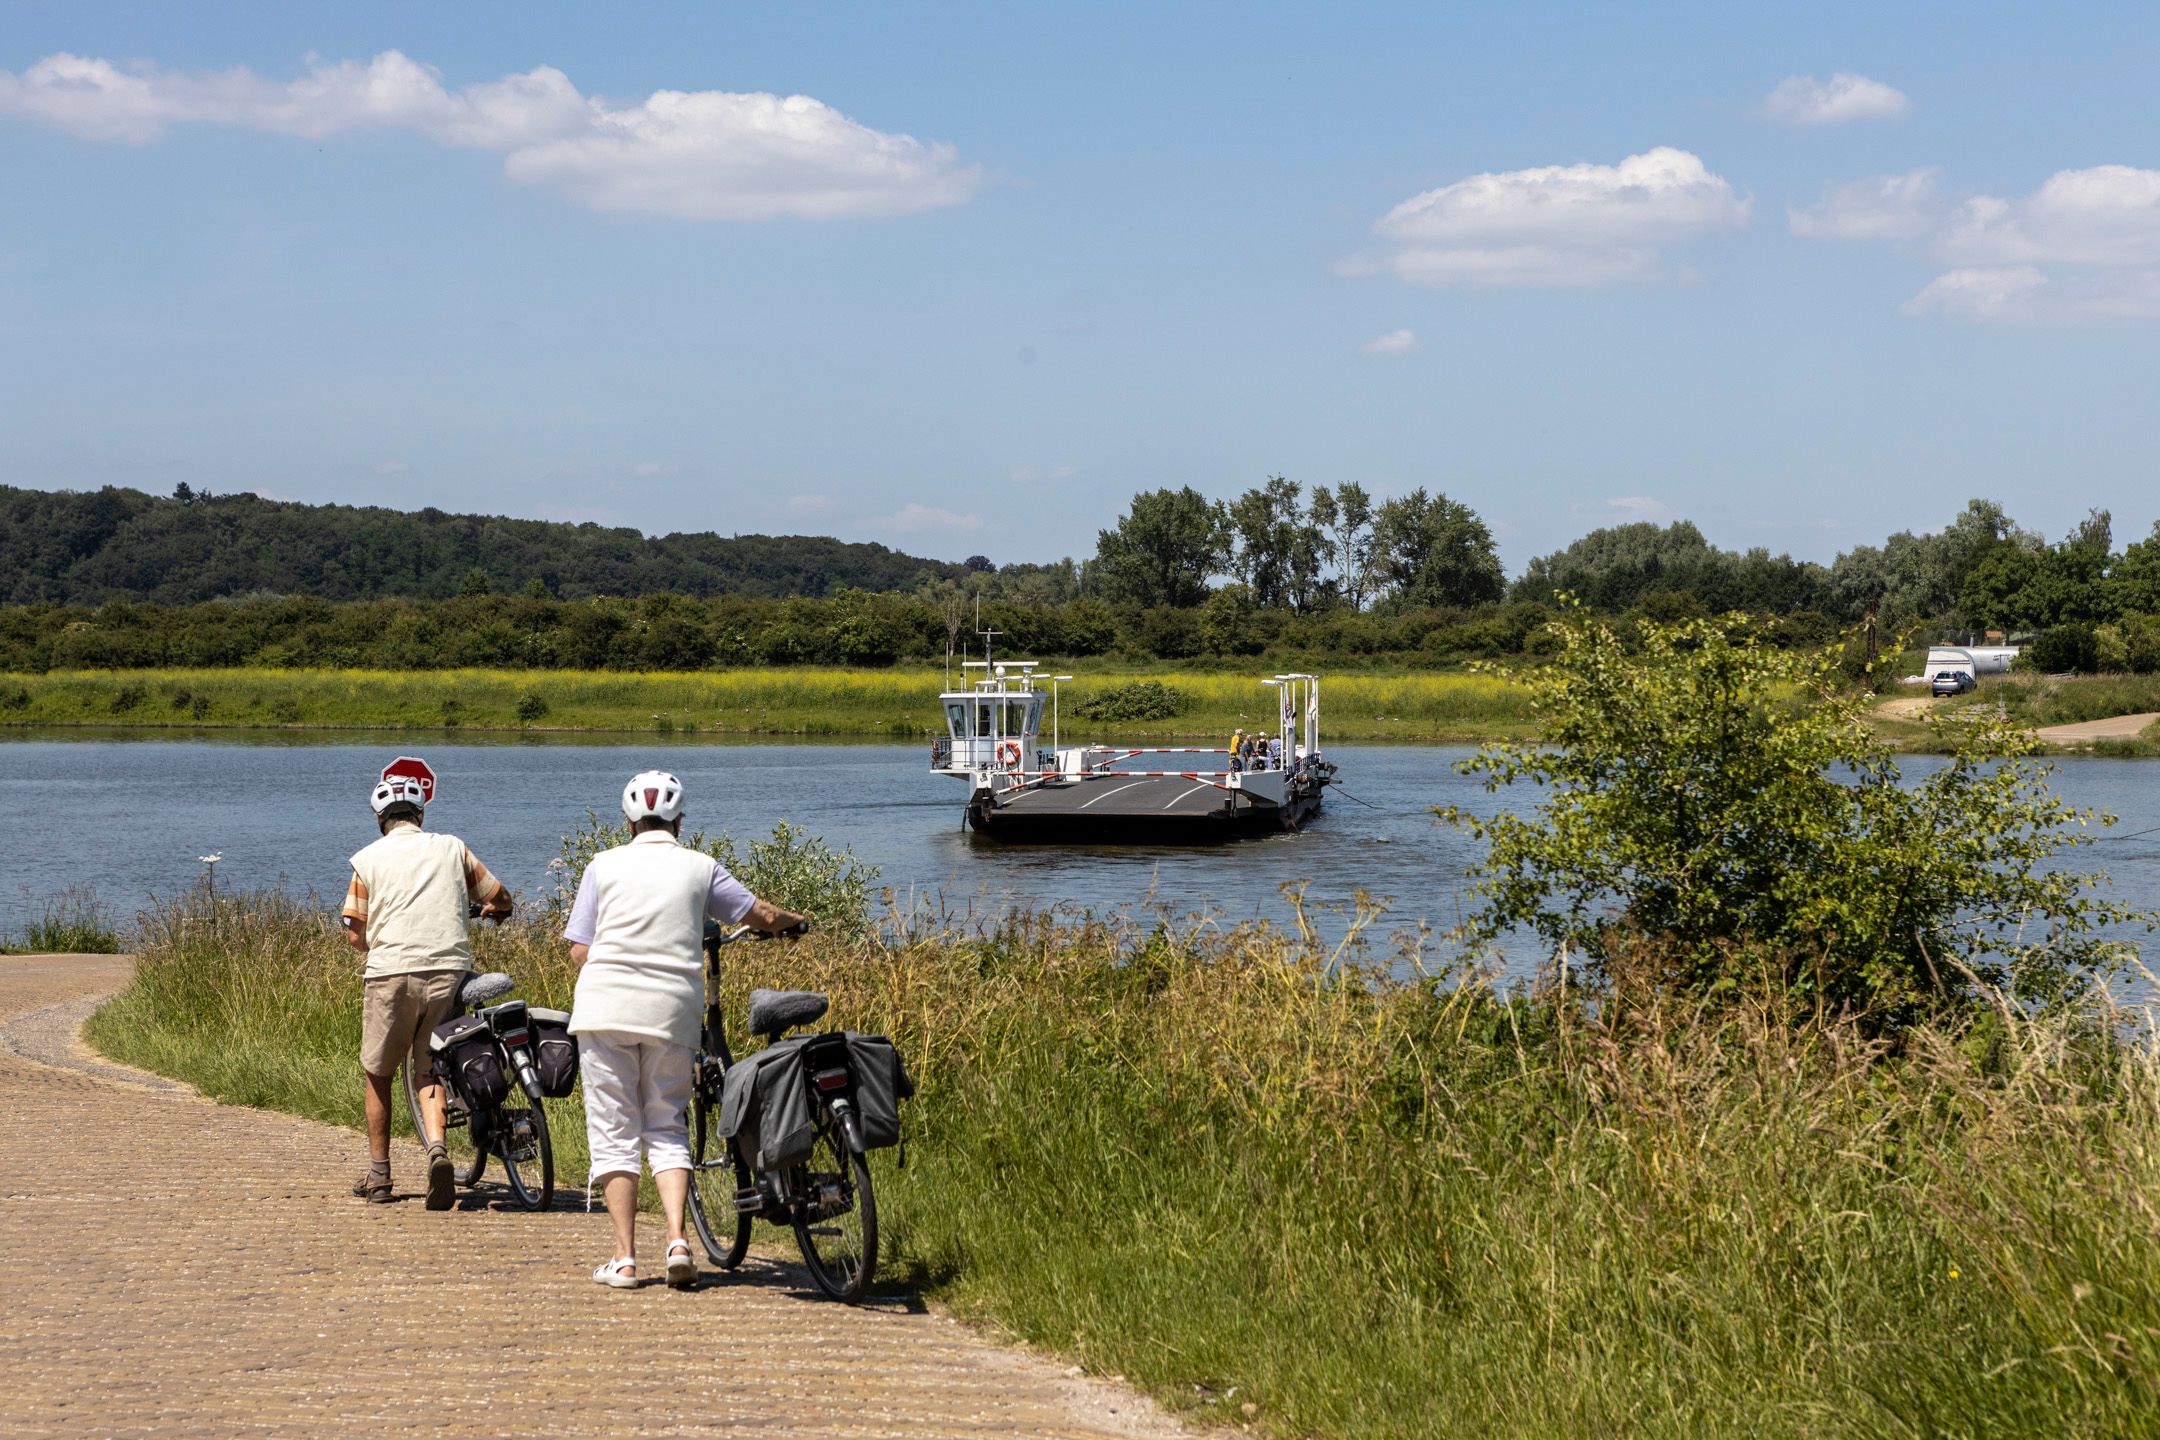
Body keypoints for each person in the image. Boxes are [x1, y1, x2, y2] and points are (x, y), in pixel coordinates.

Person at [563, 770, 811, 1290]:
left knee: (614, 1134)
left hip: (604, 1008)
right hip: (671, 1012)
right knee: (666, 1126)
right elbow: (758, 914)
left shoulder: (601, 866)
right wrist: (792, 922)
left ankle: (625, 1260)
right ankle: (678, 1240)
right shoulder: (701, 867)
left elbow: (579, 951)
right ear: (679, 820)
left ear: (628, 820)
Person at [340, 775, 513, 1208]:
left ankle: (380, 1176)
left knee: (378, 1073)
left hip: (390, 974)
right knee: (430, 1068)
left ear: (380, 818)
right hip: (448, 972)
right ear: (420, 814)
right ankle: (437, 1149)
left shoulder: (367, 860)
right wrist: (494, 909)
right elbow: (499, 895)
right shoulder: (453, 848)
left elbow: (355, 936)